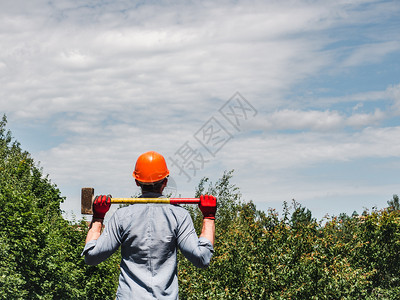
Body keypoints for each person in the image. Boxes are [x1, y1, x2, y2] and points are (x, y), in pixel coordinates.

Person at [82, 151, 216, 299]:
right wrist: (208, 218)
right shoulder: (179, 216)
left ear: (137, 182)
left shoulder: (122, 217)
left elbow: (91, 257)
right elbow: (202, 259)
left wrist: (98, 218)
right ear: (165, 182)